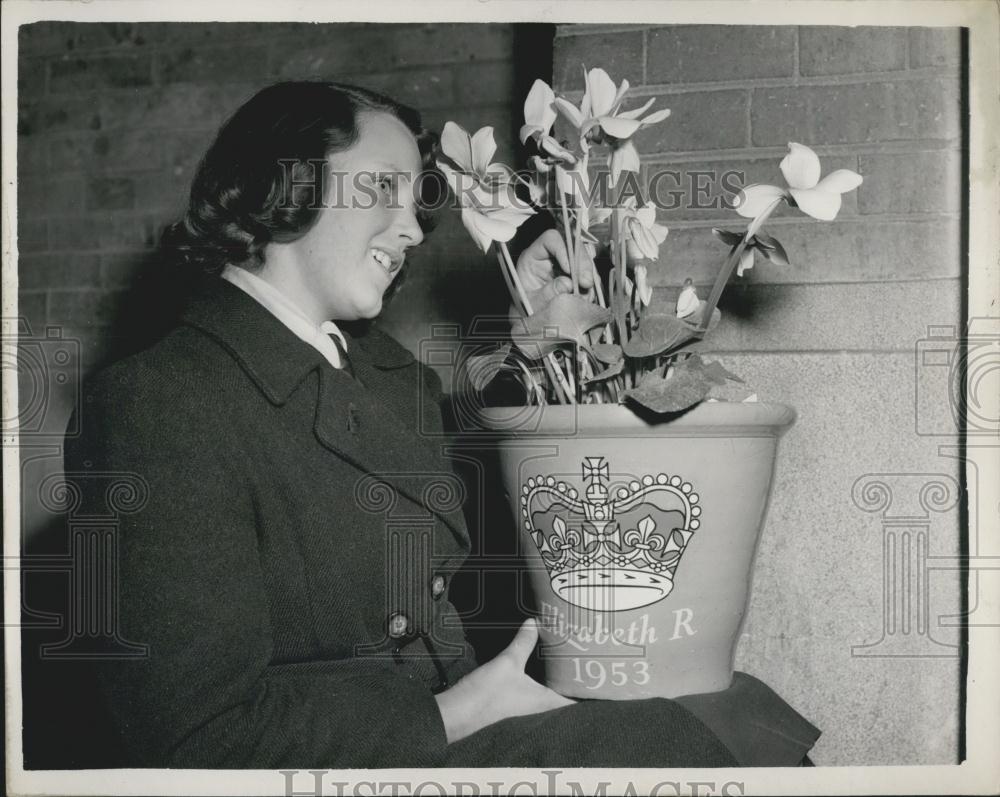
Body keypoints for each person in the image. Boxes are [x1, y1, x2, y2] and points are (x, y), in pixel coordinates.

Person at [63, 81, 819, 768]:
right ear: (285, 184)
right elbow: (194, 738)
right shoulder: (155, 402)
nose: (416, 231)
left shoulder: (373, 366)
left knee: (734, 710)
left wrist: (525, 332)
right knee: (669, 748)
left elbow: (420, 473)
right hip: (370, 755)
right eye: (384, 187)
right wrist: (458, 711)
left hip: (444, 717)